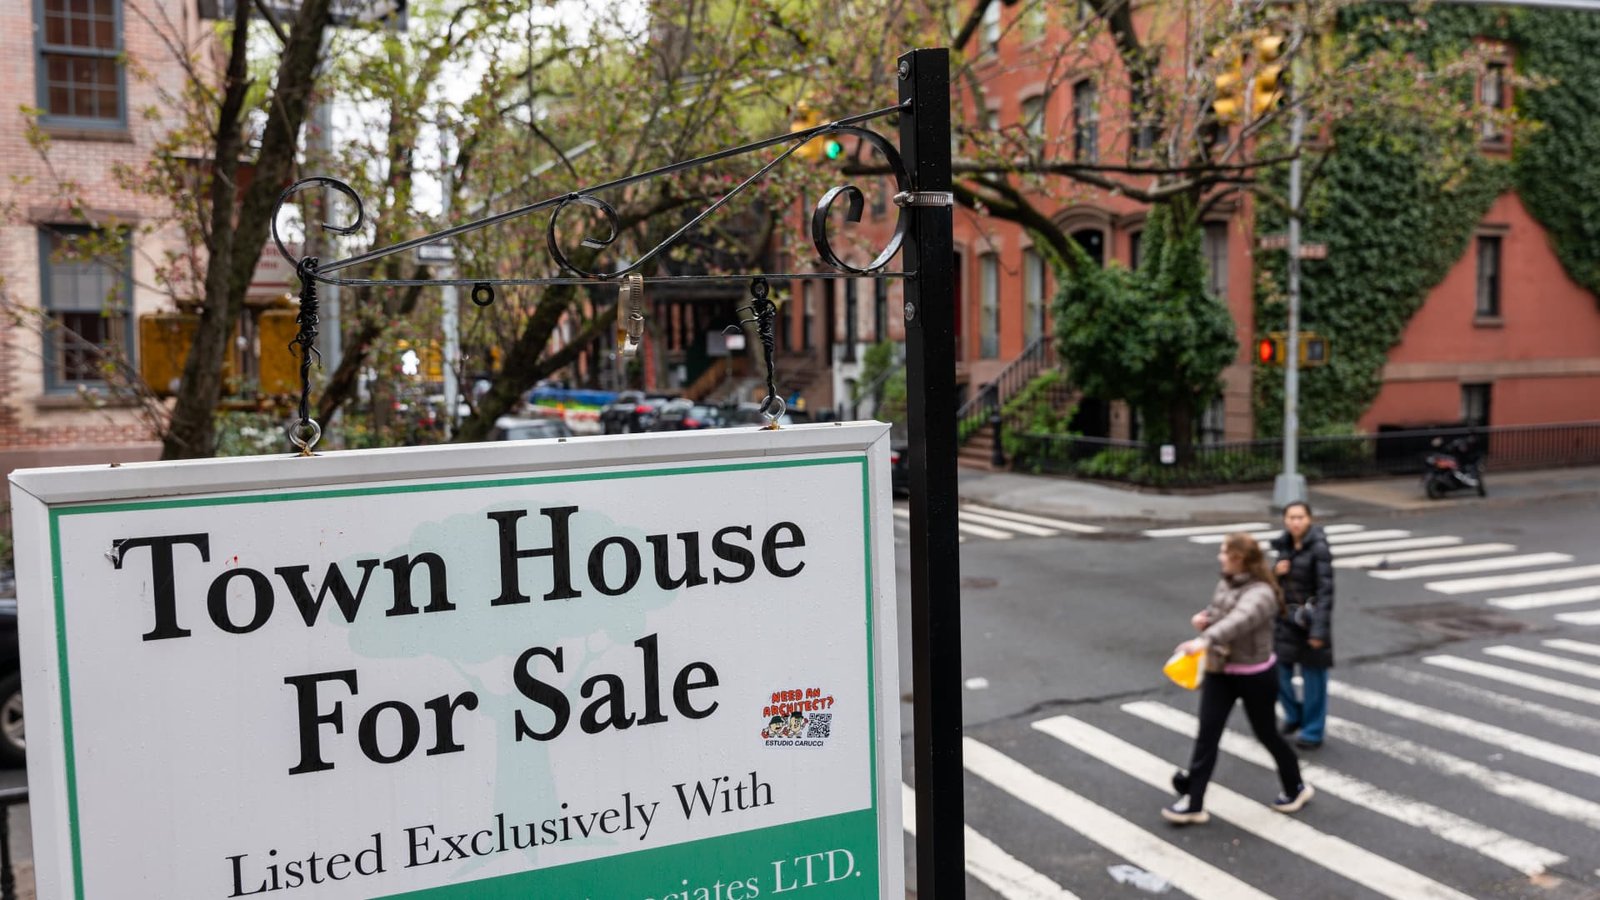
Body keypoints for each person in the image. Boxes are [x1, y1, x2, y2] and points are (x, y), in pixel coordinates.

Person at [1164, 532, 1313, 825]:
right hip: (1220, 671)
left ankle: (1295, 785)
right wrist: (1205, 618)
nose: (1219, 556)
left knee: (1266, 733)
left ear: (1239, 558)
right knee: (1208, 734)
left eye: (1224, 552)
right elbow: (1222, 613)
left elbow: (1239, 620)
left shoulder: (1262, 593)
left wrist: (1205, 639)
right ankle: (1193, 802)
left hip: (1254, 675)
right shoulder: (1227, 581)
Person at [1271, 500, 1334, 750]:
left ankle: (1313, 730)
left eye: (1300, 517)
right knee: (1277, 673)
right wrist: (1276, 572)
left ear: (1309, 519)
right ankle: (1294, 714)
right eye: (1291, 517)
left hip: (1310, 622)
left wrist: (1319, 631)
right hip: (1286, 620)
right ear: (1285, 520)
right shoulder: (1284, 545)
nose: (1295, 522)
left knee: (1314, 679)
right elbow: (1272, 585)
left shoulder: (1319, 548)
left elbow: (1326, 592)